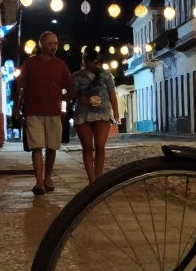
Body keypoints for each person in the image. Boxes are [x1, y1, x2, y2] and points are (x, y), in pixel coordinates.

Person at [16, 30, 73, 195]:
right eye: (50, 43)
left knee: (52, 147)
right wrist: (16, 107)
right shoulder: (30, 64)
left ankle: (48, 178)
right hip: (33, 111)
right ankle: (39, 182)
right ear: (41, 44)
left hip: (53, 112)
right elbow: (21, 86)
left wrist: (67, 105)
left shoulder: (60, 65)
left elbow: (69, 86)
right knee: (37, 147)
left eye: (55, 43)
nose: (54, 46)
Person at [71, 46, 119, 183]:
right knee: (89, 148)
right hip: (83, 113)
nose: (90, 63)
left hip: (101, 113)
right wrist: (80, 97)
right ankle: (92, 180)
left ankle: (97, 180)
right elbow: (71, 95)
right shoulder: (77, 76)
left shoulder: (105, 75)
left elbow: (112, 95)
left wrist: (116, 114)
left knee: (98, 147)